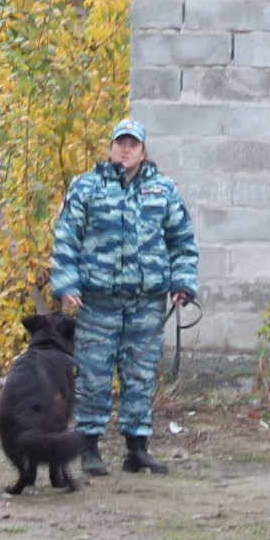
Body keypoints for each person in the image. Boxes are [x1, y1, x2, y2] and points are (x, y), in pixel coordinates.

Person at [50, 118, 199, 476]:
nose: (125, 149)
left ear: (143, 151)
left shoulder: (163, 190)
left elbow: (181, 240)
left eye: (133, 144)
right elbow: (66, 237)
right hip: (97, 300)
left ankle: (137, 448)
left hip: (146, 302)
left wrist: (183, 283)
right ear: (111, 147)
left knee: (140, 375)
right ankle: (88, 449)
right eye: (120, 143)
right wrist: (66, 284)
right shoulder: (86, 187)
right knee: (93, 376)